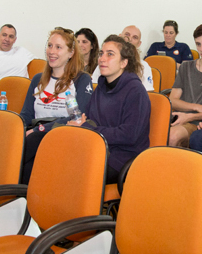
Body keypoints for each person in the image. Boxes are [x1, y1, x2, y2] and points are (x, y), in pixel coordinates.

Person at [68, 35, 150, 184]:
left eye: (110, 54)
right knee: (53, 157)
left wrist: (88, 128)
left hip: (122, 158)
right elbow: (88, 119)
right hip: (96, 148)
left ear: (124, 62)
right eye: (101, 53)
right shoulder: (101, 87)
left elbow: (129, 135)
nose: (102, 59)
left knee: (72, 173)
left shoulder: (136, 91)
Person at [19, 29, 92, 183]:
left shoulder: (82, 80)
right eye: (50, 45)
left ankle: (5, 183)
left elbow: (78, 117)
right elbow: (26, 115)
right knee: (20, 152)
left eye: (58, 47)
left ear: (71, 53)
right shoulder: (38, 79)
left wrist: (40, 129)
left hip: (62, 135)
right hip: (34, 134)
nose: (52, 51)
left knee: (29, 145)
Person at [120, 25, 157, 91]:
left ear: (139, 44)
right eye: (127, 35)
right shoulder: (107, 61)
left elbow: (148, 93)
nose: (130, 39)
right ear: (119, 37)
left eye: (135, 37)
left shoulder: (143, 66)